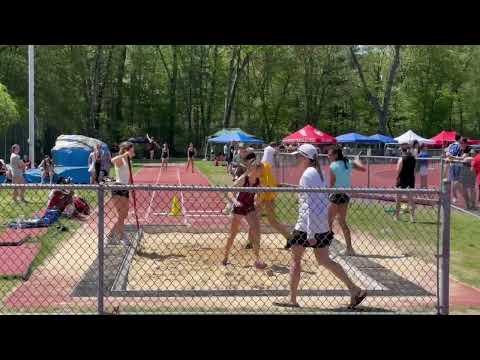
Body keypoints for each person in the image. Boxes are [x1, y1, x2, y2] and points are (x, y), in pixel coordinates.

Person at [276, 144, 367, 309]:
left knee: (296, 260)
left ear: (306, 158)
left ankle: (292, 299)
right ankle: (355, 290)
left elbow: (309, 204)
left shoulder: (307, 174)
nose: (297, 158)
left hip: (307, 225)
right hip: (321, 224)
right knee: (324, 260)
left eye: (299, 156)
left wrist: (310, 233)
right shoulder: (319, 172)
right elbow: (319, 197)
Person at [222, 160, 267, 270]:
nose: (262, 173)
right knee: (233, 234)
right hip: (239, 206)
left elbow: (262, 194)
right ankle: (225, 257)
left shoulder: (258, 181)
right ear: (255, 169)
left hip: (249, 207)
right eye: (261, 170)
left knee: (257, 230)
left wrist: (258, 201)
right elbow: (229, 191)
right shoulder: (244, 179)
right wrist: (234, 201)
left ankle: (257, 259)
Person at [327, 146, 366, 256]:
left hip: (335, 195)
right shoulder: (348, 162)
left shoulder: (333, 166)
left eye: (330, 154)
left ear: (335, 155)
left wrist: (326, 195)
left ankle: (327, 247)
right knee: (342, 222)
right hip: (345, 196)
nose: (328, 156)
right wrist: (357, 160)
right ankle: (349, 248)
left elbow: (331, 184)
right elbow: (363, 169)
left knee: (328, 221)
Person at [106, 141, 135, 246]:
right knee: (121, 215)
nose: (134, 152)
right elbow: (112, 160)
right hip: (118, 188)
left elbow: (128, 177)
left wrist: (132, 187)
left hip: (125, 189)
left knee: (124, 215)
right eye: (132, 150)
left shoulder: (129, 162)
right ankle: (121, 236)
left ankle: (111, 236)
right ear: (127, 150)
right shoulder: (122, 159)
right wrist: (124, 154)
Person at [395, 142, 416, 222]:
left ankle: (397, 217)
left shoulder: (401, 159)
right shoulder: (413, 158)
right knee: (411, 199)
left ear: (402, 150)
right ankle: (412, 218)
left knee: (398, 199)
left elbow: (398, 170)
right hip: (411, 179)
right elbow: (414, 170)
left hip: (402, 180)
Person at [447, 134, 463, 203]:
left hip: (451, 163)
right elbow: (460, 155)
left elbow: (447, 153)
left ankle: (454, 196)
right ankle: (455, 196)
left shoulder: (451, 145)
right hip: (457, 164)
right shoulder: (460, 146)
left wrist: (450, 157)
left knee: (453, 180)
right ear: (459, 139)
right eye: (461, 139)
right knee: (456, 181)